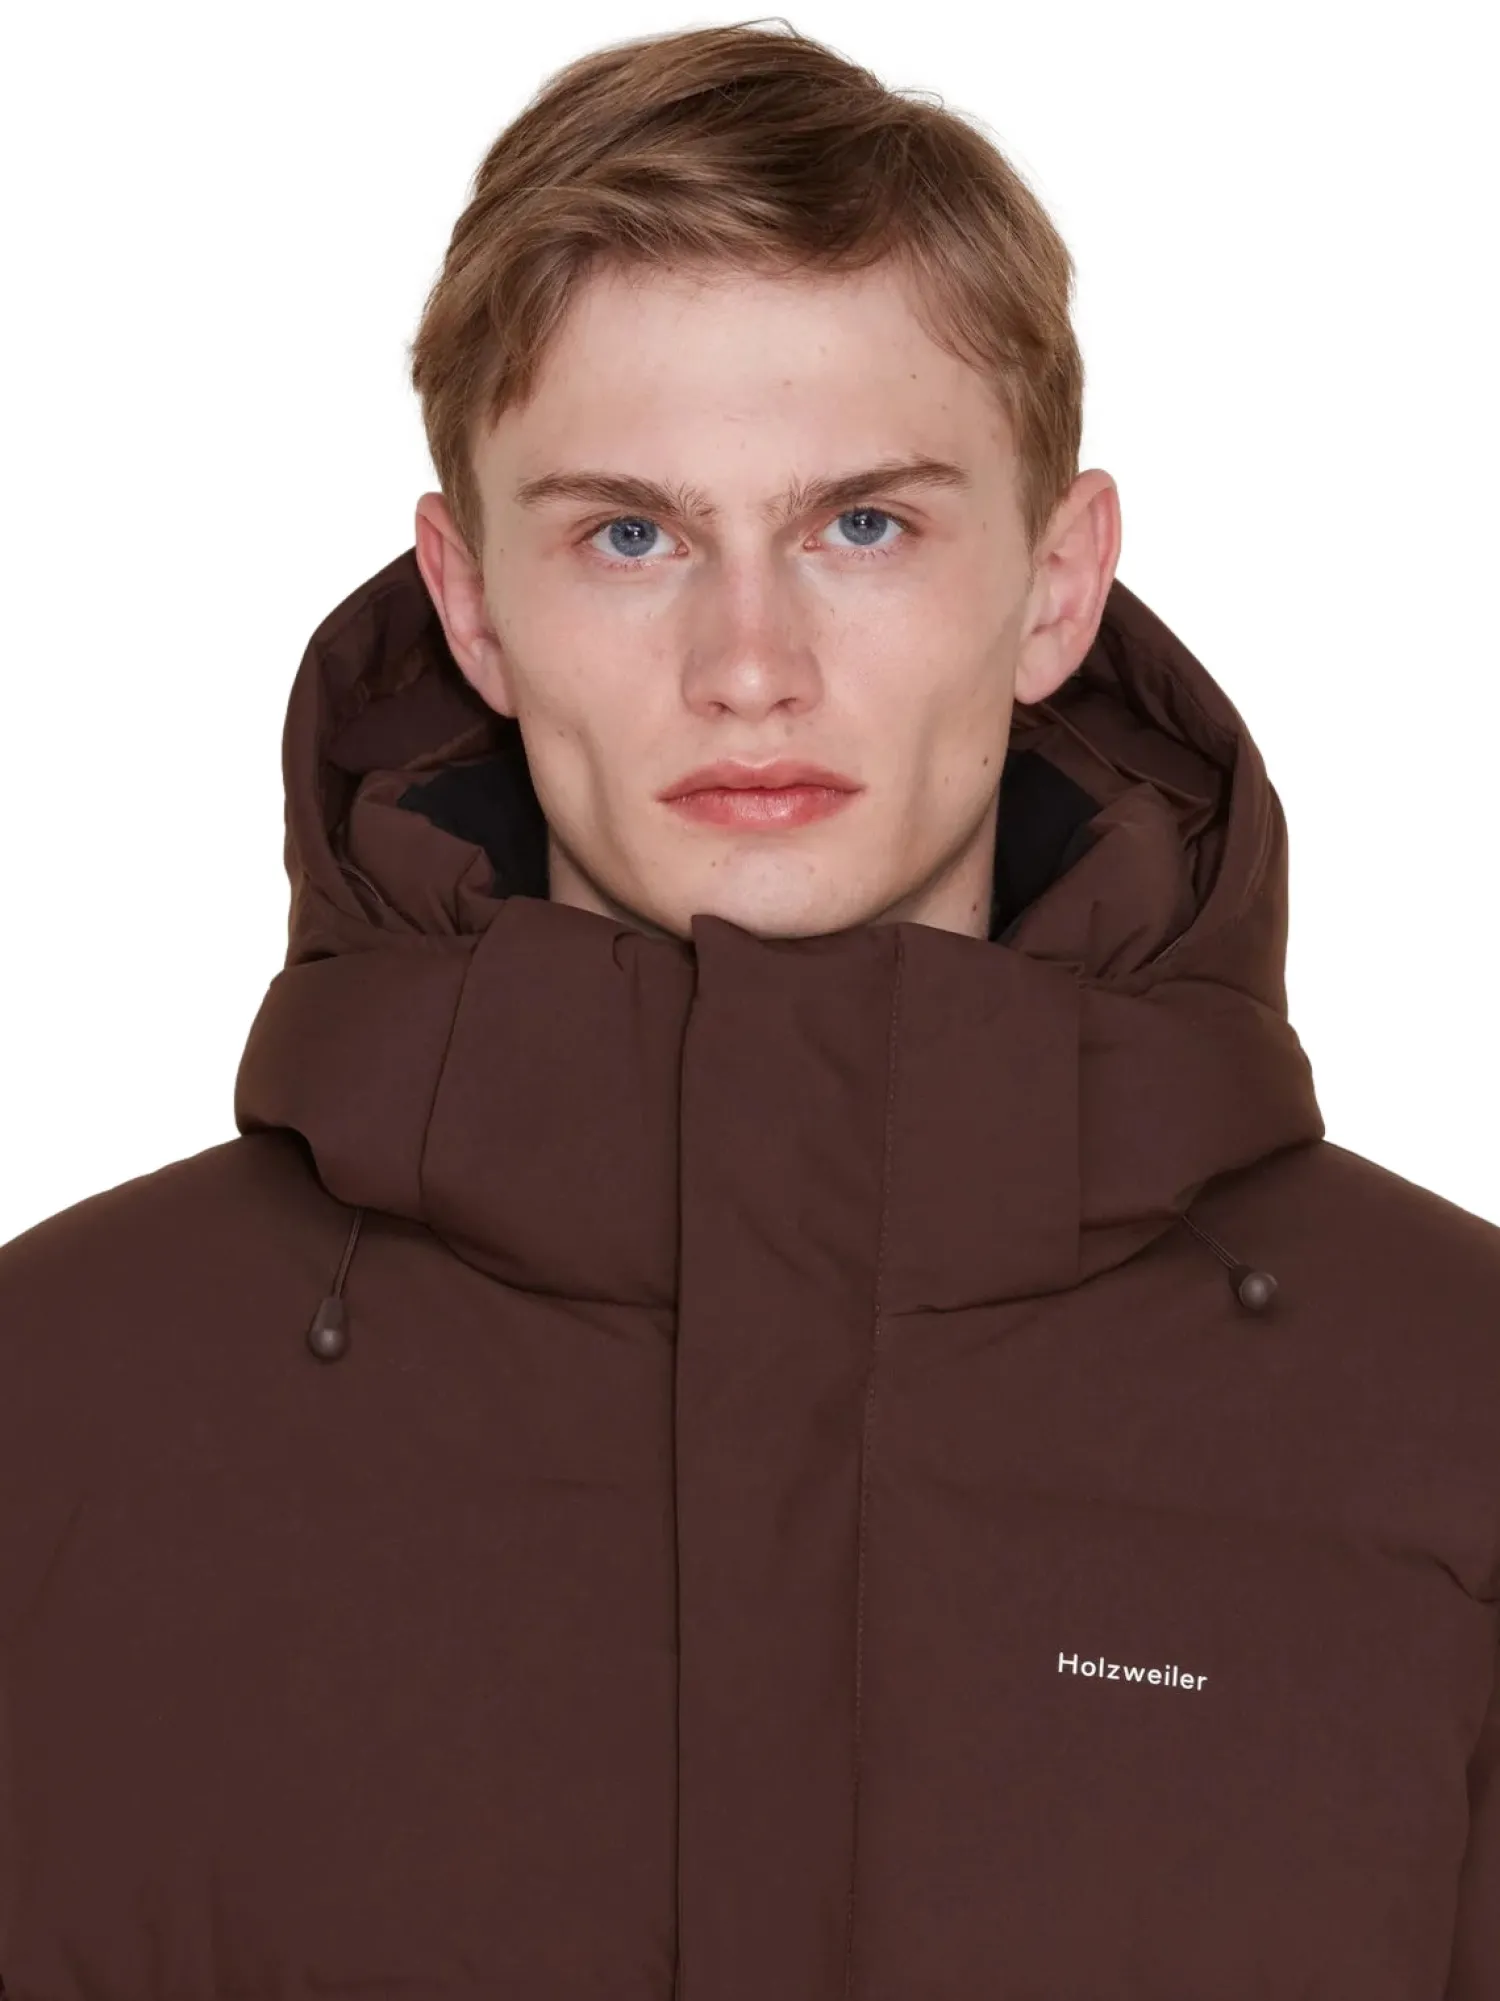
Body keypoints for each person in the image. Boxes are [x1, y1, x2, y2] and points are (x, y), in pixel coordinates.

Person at [1, 17, 1497, 1999]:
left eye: (862, 524)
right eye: (631, 534)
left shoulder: (1454, 1410)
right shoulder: (57, 1414)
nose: (749, 661)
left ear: (1058, 584)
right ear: (472, 602)